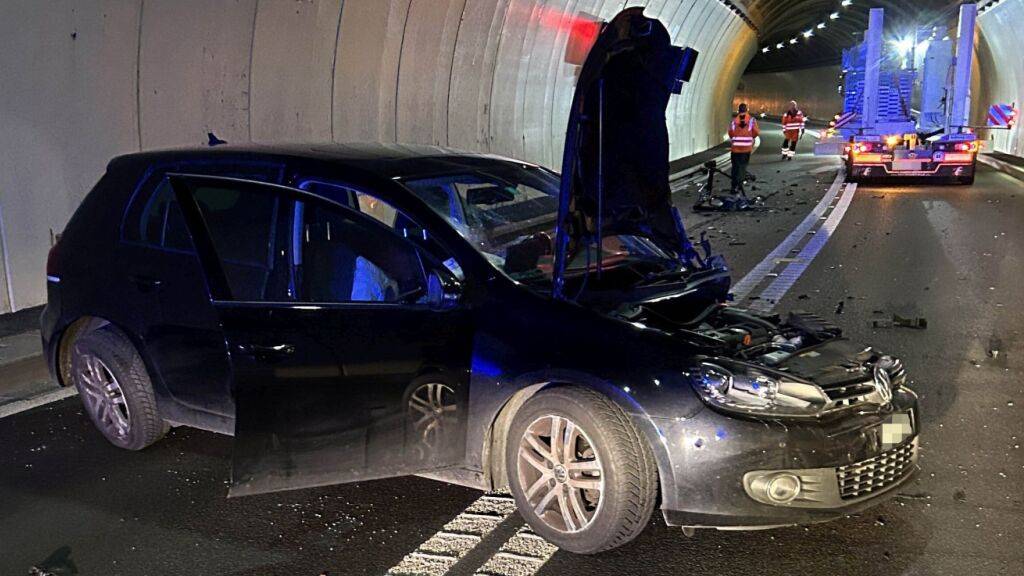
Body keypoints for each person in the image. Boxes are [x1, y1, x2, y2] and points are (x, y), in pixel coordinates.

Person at [728, 103, 759, 196]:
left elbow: (730, 133)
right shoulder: (751, 120)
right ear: (747, 110)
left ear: (738, 111)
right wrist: (750, 137)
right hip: (746, 148)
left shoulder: (734, 121)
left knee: (735, 167)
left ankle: (733, 186)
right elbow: (756, 132)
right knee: (742, 167)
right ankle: (739, 185)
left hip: (735, 149)